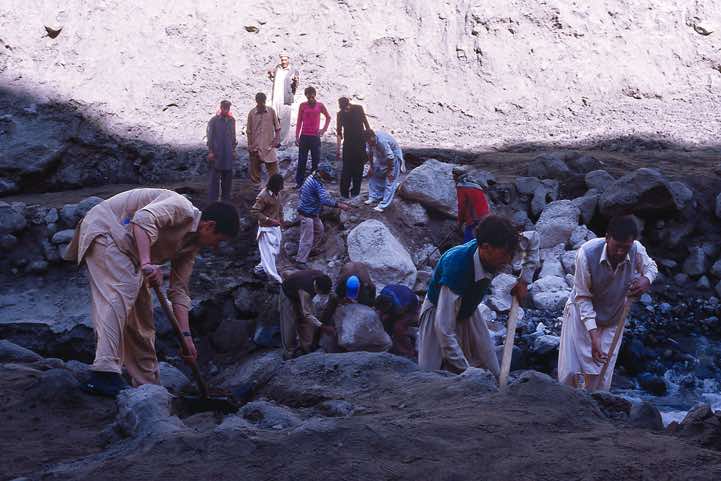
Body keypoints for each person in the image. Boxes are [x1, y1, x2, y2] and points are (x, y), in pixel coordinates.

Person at [63, 188, 240, 396]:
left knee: (142, 322)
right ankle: (104, 372)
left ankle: (148, 388)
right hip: (107, 230)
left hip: (131, 254)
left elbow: (179, 291)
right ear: (210, 226)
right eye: (218, 240)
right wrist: (147, 263)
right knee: (121, 292)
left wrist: (186, 337)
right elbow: (142, 219)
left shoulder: (190, 248)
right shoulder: (180, 207)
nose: (216, 247)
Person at [418, 215, 528, 376]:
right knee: (432, 374)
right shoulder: (457, 265)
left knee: (490, 366)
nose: (508, 260)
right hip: (439, 311)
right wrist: (466, 372)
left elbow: (533, 241)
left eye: (511, 254)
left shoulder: (494, 254)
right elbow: (444, 328)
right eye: (504, 254)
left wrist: (524, 281)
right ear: (486, 247)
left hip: (468, 310)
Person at [558, 215, 657, 391]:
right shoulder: (586, 254)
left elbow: (651, 267)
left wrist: (646, 279)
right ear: (607, 238)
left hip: (613, 318)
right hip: (580, 316)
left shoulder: (635, 249)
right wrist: (593, 334)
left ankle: (594, 415)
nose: (620, 252)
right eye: (616, 247)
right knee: (571, 373)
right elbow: (583, 296)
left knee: (600, 377)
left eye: (625, 248)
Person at [294, 164, 349, 265]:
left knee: (319, 230)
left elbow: (301, 191)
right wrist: (339, 205)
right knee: (307, 238)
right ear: (322, 173)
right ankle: (300, 261)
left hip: (312, 212)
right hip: (307, 214)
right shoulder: (315, 182)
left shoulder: (314, 177)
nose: (329, 177)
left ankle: (311, 250)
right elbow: (324, 200)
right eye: (327, 175)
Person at [279, 269, 332, 359]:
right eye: (320, 293)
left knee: (306, 322)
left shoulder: (322, 277)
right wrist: (322, 326)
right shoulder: (306, 292)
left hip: (297, 286)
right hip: (288, 292)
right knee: (290, 324)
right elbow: (307, 314)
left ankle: (305, 346)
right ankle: (289, 353)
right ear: (316, 288)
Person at [250, 174, 284, 283]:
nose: (282, 187)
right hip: (266, 229)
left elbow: (279, 207)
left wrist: (281, 219)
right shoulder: (263, 196)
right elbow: (254, 211)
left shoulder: (277, 193)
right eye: (280, 185)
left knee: (274, 252)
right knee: (268, 254)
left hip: (275, 227)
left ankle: (258, 270)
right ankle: (274, 279)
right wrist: (269, 220)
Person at [295, 86, 331, 188]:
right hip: (304, 136)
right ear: (306, 95)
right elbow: (299, 122)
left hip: (315, 137)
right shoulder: (302, 105)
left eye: (312, 95)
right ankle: (299, 183)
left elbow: (328, 117)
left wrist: (323, 130)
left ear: (315, 95)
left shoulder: (320, 105)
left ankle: (314, 183)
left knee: (315, 161)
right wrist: (297, 136)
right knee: (302, 160)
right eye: (308, 95)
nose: (310, 97)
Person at [336, 97, 370, 198]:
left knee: (358, 169)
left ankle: (355, 192)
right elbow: (339, 132)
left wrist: (369, 144)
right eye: (342, 109)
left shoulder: (359, 108)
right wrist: (338, 149)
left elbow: (366, 124)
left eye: (346, 108)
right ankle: (344, 193)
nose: (344, 110)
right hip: (348, 145)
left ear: (349, 104)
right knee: (346, 169)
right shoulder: (340, 114)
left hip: (360, 143)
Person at [375, 284, 420, 359]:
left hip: (411, 307)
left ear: (389, 305)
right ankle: (389, 341)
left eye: (384, 310)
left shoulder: (400, 306)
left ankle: (409, 351)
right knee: (382, 320)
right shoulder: (383, 293)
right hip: (402, 296)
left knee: (398, 328)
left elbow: (398, 316)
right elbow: (381, 312)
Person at [365, 130, 405, 212]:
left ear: (373, 137)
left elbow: (390, 157)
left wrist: (390, 172)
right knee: (373, 174)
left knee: (390, 180)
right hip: (381, 156)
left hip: (394, 157)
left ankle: (383, 205)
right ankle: (374, 196)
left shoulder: (382, 141)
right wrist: (371, 167)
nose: (369, 143)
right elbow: (369, 154)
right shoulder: (368, 141)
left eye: (370, 141)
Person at [247, 92, 281, 186]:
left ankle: (273, 191)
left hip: (268, 147)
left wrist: (276, 140)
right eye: (259, 103)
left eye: (263, 102)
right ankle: (257, 195)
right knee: (255, 175)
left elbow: (278, 128)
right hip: (256, 147)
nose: (261, 105)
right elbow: (249, 131)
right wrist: (250, 145)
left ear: (265, 101)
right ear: (256, 102)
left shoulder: (271, 111)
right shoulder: (252, 113)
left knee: (274, 173)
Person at [206, 100, 237, 202]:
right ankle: (212, 203)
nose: (225, 109)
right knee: (214, 182)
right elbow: (209, 137)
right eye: (224, 107)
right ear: (221, 107)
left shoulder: (232, 120)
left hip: (227, 155)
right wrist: (210, 151)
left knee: (227, 182)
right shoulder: (213, 121)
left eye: (227, 108)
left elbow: (233, 137)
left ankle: (225, 203)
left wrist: (233, 150)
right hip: (216, 155)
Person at [267, 52, 299, 147]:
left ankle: (283, 142)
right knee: (274, 119)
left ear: (288, 59)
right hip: (276, 98)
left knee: (285, 121)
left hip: (286, 98)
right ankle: (275, 140)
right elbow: (274, 80)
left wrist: (295, 82)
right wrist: (270, 75)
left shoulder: (293, 70)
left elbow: (295, 86)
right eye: (282, 60)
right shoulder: (277, 68)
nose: (283, 61)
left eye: (285, 60)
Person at [453, 167, 491, 242]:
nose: (453, 178)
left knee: (468, 244)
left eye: (454, 175)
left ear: (456, 176)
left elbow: (462, 207)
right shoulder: (475, 184)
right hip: (485, 215)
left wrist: (460, 223)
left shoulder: (462, 187)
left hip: (474, 219)